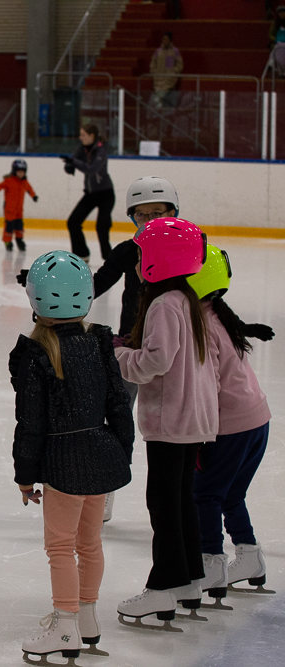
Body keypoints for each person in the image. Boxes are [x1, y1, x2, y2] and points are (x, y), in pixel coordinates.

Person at [11, 251, 134, 663]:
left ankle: (65, 627)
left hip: (65, 463)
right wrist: (119, 452)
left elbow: (30, 423)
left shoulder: (35, 354)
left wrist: (24, 475)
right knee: (90, 543)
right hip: (101, 456)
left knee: (60, 547)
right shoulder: (99, 342)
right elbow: (119, 405)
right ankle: (87, 619)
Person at [113, 217, 216, 631]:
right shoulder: (187, 299)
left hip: (172, 419)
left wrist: (118, 359)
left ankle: (164, 587)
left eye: (140, 255)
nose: (136, 263)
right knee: (180, 498)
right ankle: (190, 579)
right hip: (191, 417)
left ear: (158, 261)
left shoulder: (162, 304)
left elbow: (156, 362)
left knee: (163, 502)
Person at [187, 245, 276, 604]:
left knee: (204, 493)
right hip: (257, 419)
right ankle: (250, 556)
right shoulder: (218, 314)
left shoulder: (202, 324)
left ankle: (212, 563)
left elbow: (209, 386)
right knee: (231, 494)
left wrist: (201, 436)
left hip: (233, 426)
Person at [92, 176, 180, 522]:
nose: (151, 221)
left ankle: (182, 500)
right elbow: (97, 283)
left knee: (177, 427)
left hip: (175, 353)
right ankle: (105, 491)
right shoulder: (129, 251)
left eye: (158, 212)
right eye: (142, 216)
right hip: (130, 347)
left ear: (174, 211)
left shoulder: (191, 247)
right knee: (115, 420)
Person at [61, 125, 115, 264]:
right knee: (73, 222)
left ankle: (109, 258)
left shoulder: (101, 150)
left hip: (106, 194)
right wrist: (69, 165)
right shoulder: (82, 148)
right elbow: (74, 161)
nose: (81, 137)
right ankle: (81, 254)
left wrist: (74, 162)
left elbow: (91, 170)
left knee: (102, 226)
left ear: (92, 136)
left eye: (83, 135)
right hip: (90, 194)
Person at [0, 158, 38, 252]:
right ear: (14, 171)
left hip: (19, 210)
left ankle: (19, 240)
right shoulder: (9, 181)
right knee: (9, 226)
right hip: (9, 209)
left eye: (23, 172)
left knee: (19, 226)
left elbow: (29, 189)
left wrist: (33, 196)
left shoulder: (24, 182)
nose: (21, 174)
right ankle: (7, 242)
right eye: (19, 171)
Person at [150, 32, 183, 109]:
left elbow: (179, 64)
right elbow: (153, 63)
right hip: (158, 80)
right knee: (157, 102)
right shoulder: (158, 51)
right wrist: (154, 72)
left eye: (166, 39)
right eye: (163, 39)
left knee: (167, 103)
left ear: (170, 40)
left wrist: (174, 72)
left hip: (169, 81)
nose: (164, 40)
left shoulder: (175, 51)